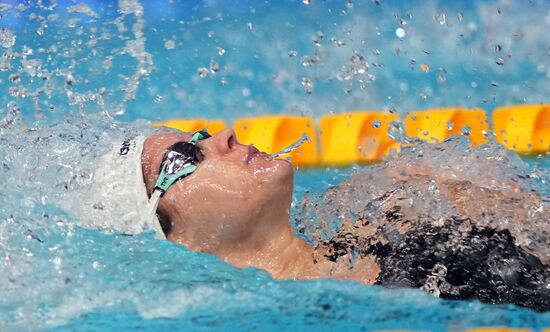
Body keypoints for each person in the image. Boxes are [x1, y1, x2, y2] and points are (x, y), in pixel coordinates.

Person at [79, 126, 550, 312]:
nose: (224, 134)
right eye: (186, 155)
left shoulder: (393, 222)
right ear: (174, 241)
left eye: (199, 134)